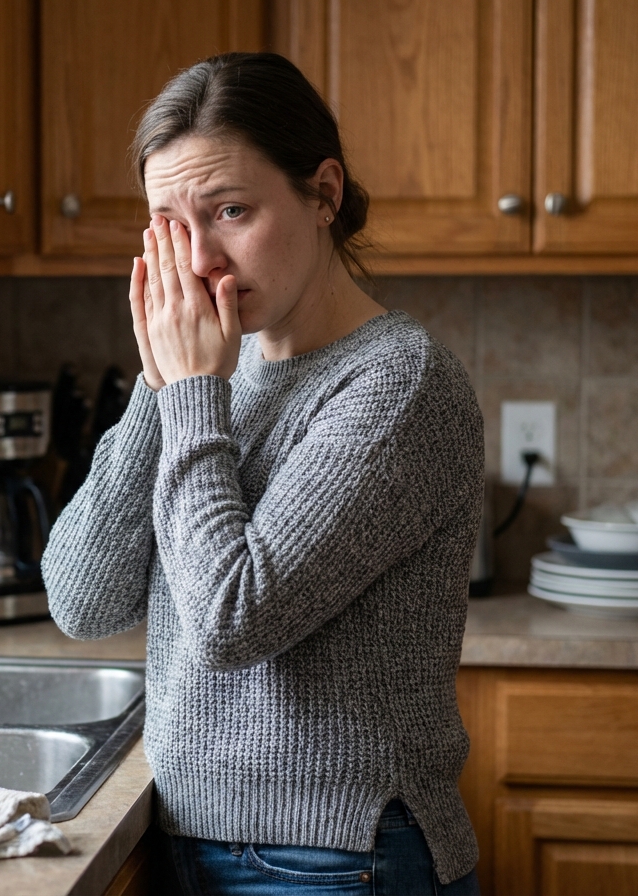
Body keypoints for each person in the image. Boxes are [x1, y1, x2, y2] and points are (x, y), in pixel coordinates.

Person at [42, 52, 484, 895]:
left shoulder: (398, 382)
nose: (201, 259)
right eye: (171, 225)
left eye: (231, 211)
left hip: (334, 860)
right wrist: (162, 383)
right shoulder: (209, 375)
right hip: (194, 840)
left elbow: (232, 620)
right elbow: (81, 599)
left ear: (322, 193)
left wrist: (194, 394)